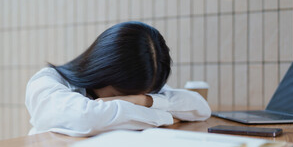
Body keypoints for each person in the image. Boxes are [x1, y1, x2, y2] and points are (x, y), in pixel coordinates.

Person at [25, 21, 211, 136]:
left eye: (140, 96)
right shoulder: (47, 82)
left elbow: (200, 107)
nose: (132, 100)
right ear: (102, 71)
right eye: (119, 95)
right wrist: (167, 117)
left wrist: (143, 101)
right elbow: (88, 118)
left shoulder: (140, 87)